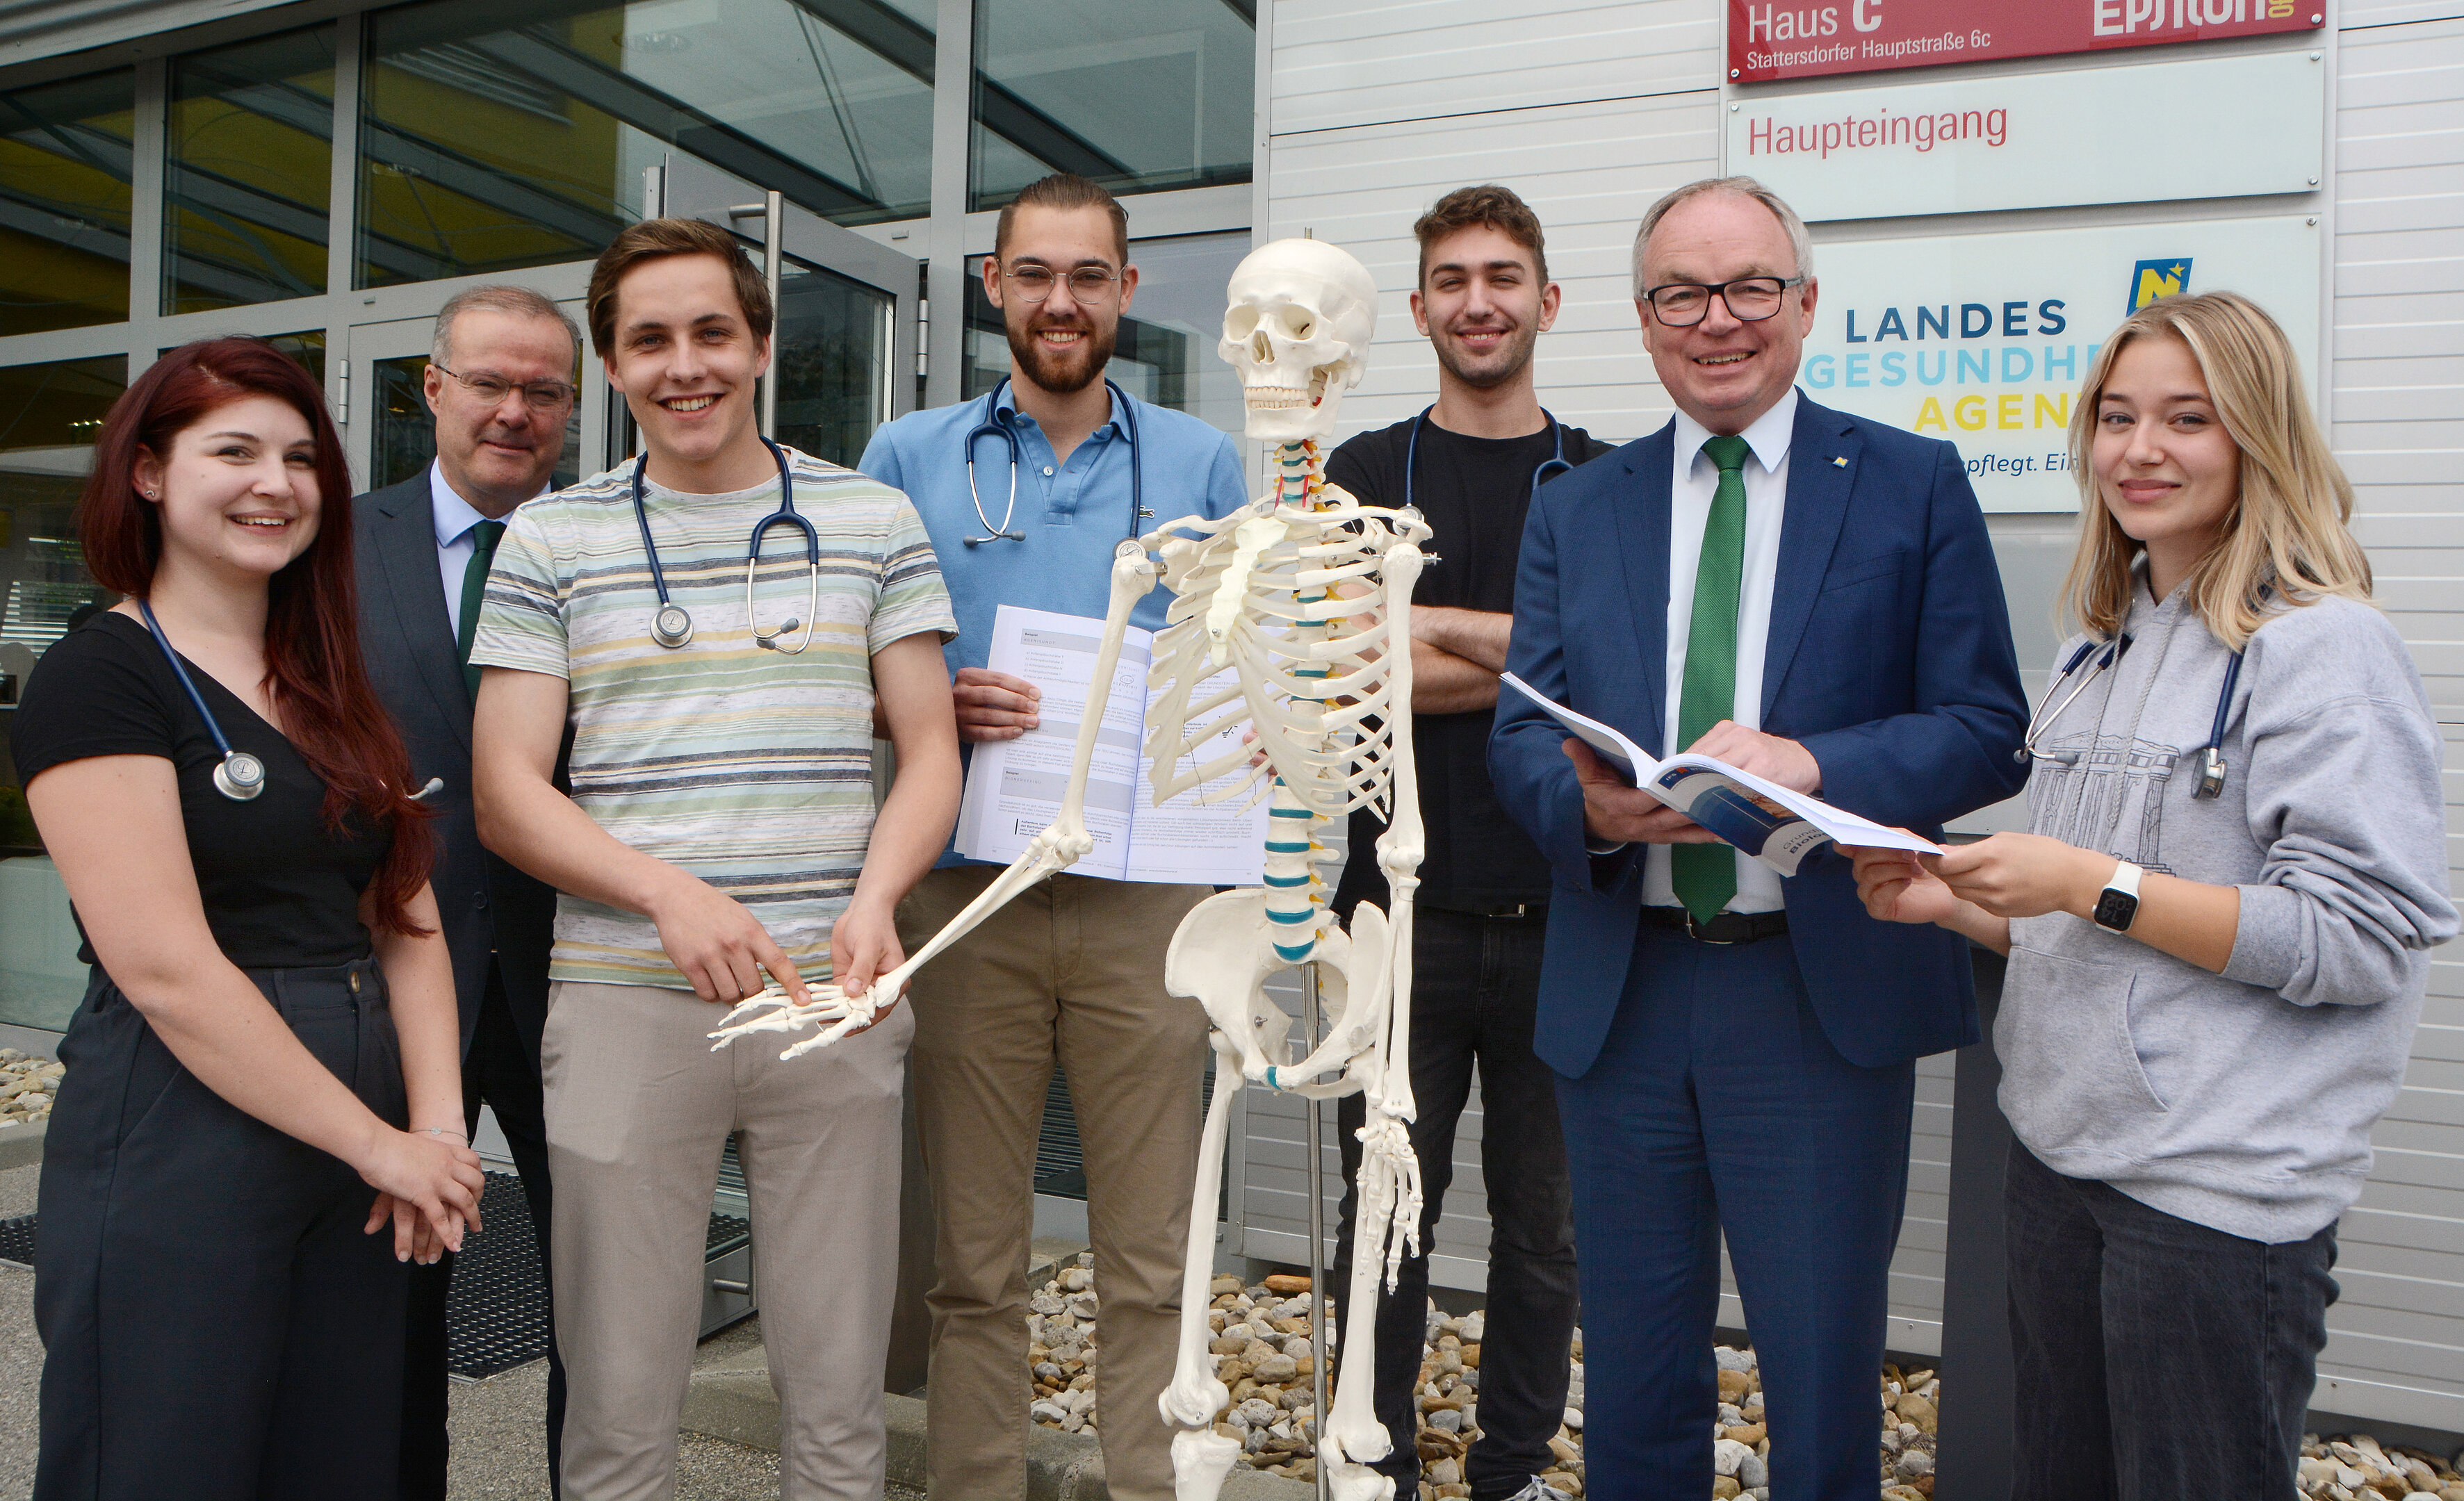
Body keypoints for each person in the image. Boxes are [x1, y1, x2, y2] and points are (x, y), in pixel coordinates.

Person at [1846, 290, 2457, 1501]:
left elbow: (2357, 942)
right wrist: (1963, 909)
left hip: (2213, 1204)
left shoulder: (2323, 650)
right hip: (2064, 1162)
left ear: (2256, 438)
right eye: (2116, 417)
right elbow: (2097, 934)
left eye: (2187, 418)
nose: (2140, 449)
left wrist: (2088, 881)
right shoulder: (2104, 645)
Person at [1487, 176, 2030, 1500]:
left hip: (1815, 989)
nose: (1715, 320)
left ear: (1804, 304)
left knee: (1820, 1372)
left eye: (1748, 289)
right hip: (1626, 984)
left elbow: (1984, 724)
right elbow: (1516, 733)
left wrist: (1815, 764)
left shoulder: (1908, 482)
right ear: (1642, 316)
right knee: (1627, 1372)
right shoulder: (1578, 504)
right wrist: (1591, 812)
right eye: (1682, 294)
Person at [468, 218, 962, 1501]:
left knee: (839, 1397)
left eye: (708, 333)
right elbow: (507, 794)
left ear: (757, 347)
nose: (682, 365)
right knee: (621, 1406)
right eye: (647, 341)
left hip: (832, 1000)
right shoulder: (552, 541)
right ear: (614, 367)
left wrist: (876, 902)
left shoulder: (870, 517)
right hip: (627, 1003)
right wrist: (665, 893)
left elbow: (929, 752)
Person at [17, 336, 485, 1500]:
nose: (274, 484)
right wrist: (379, 1144)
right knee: (168, 1457)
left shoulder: (328, 682)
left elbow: (405, 916)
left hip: (362, 1152)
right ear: (148, 473)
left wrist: (434, 1132)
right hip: (186, 1138)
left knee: (337, 1458)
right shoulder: (101, 676)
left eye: (299, 458)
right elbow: (168, 969)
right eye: (232, 451)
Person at [856, 172, 1248, 1501]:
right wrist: (926, 694)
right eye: (1035, 275)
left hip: (1151, 904)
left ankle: (1143, 1484)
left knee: (1150, 1251)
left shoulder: (1200, 462)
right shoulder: (908, 459)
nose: (1061, 301)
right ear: (994, 287)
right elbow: (844, 659)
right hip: (970, 899)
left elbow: (1243, 660)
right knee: (974, 1259)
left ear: (1126, 292)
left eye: (1088, 276)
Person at [1321, 183, 1608, 1501]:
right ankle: (1367, 1467)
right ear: (1421, 306)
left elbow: (1615, 685)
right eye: (1450, 278)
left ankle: (1504, 1475)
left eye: (1503, 276)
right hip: (1394, 924)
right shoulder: (1367, 478)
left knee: (1547, 1236)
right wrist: (1534, 652)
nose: (1477, 300)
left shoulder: (1603, 482)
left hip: (1567, 916)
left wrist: (1430, 635)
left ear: (1545, 302)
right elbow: (1340, 677)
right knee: (1385, 1220)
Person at [354, 283, 579, 1499]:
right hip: (392, 978)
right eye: (488, 382)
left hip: (577, 980)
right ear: (431, 388)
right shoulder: (330, 547)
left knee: (599, 1309)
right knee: (390, 1308)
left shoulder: (610, 542)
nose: (513, 411)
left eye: (543, 392)